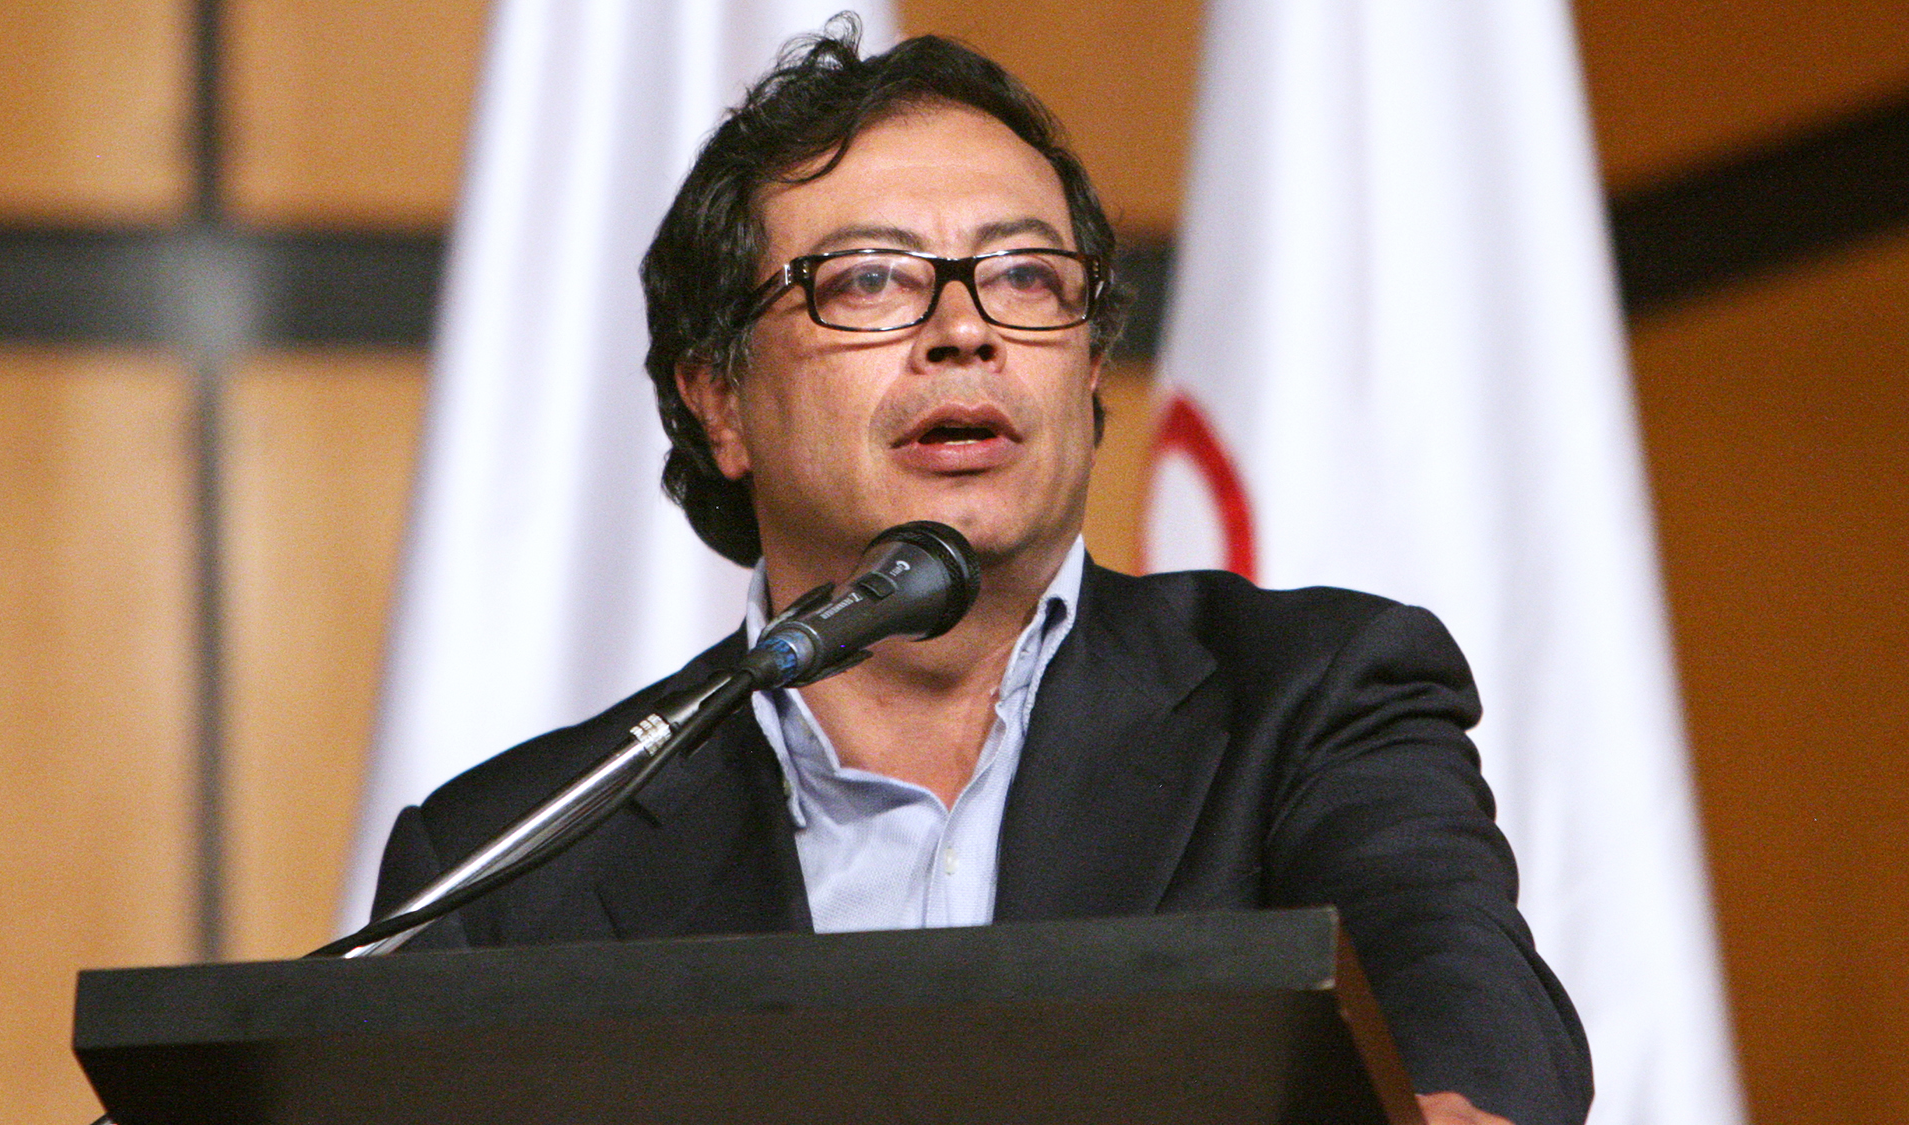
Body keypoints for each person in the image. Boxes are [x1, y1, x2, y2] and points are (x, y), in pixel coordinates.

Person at [373, 19, 1590, 1124]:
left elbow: (1454, 992)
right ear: (719, 400)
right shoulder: (510, 866)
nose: (966, 329)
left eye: (1023, 277)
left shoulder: (1308, 699)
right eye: (867, 280)